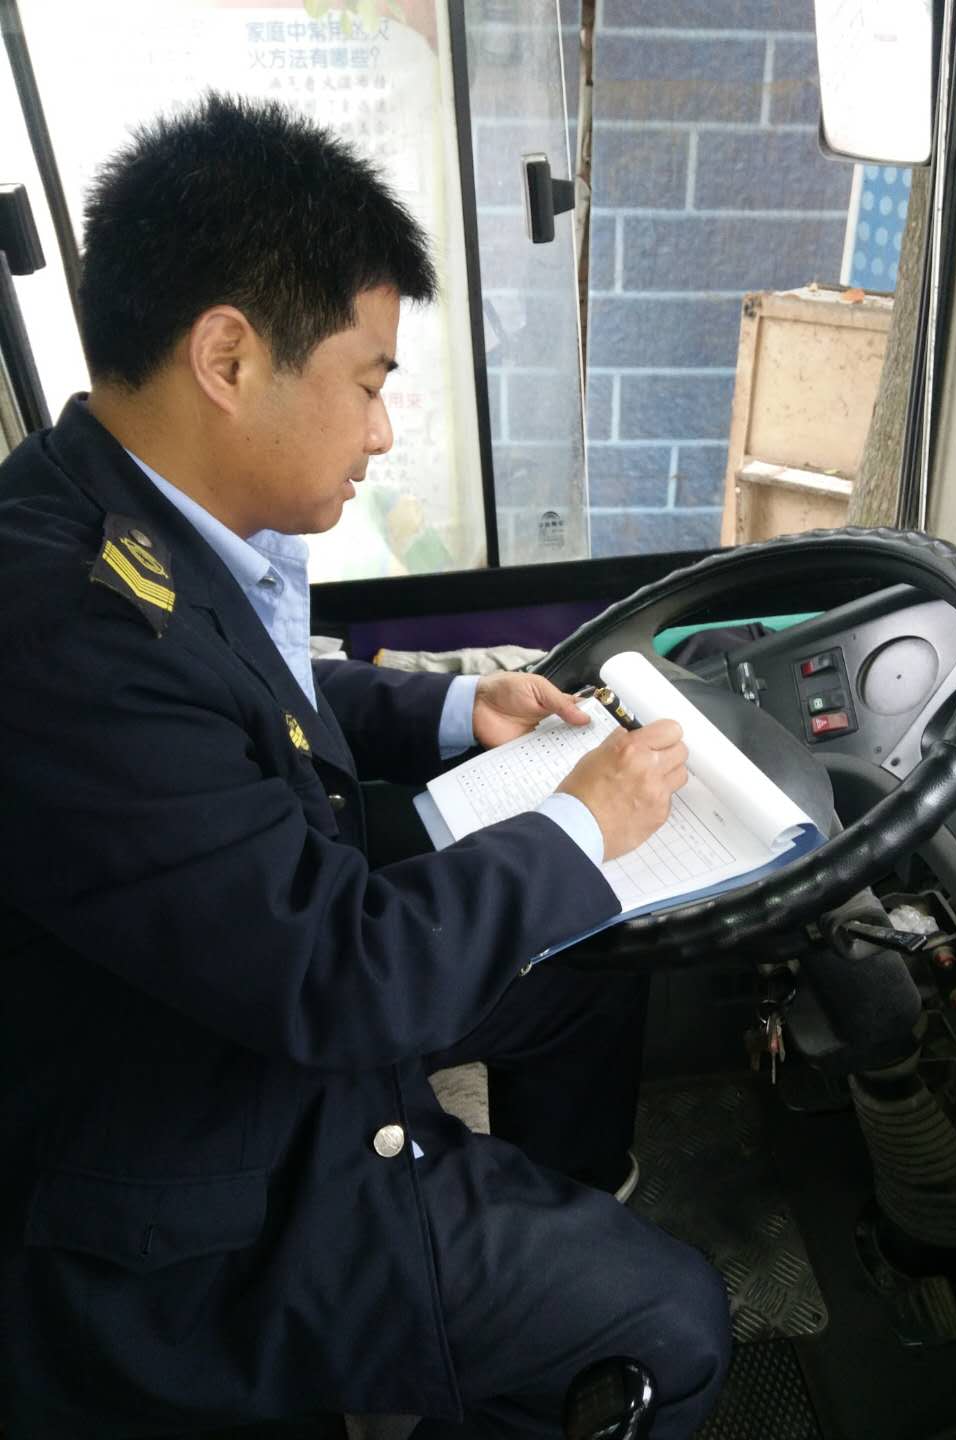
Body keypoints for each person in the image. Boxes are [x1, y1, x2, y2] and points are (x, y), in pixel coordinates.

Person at [0, 94, 731, 1438]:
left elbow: (245, 696)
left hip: (225, 1004)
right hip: (186, 1192)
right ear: (229, 356)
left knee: (584, 967)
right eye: (371, 381)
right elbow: (340, 978)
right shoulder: (56, 628)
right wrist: (582, 823)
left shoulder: (117, 516)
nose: (383, 431)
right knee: (671, 1326)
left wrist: (455, 712)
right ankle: (512, 1316)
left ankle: (524, 1271)